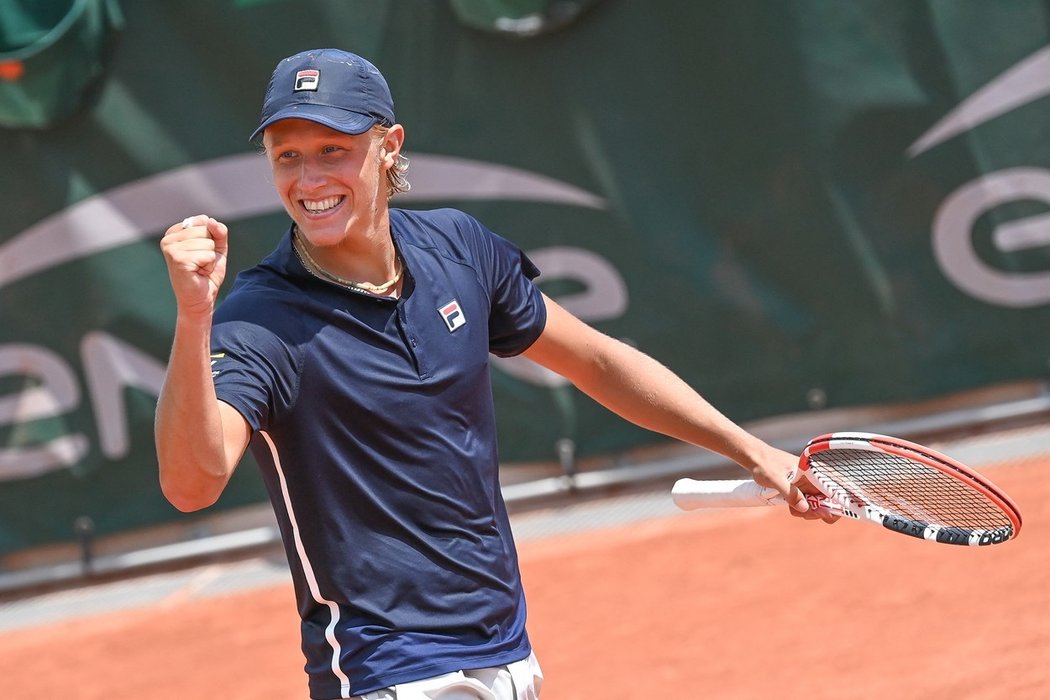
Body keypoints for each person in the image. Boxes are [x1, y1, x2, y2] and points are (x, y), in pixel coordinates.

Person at [156, 48, 832, 700]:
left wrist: (751, 450)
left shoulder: (458, 249)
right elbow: (192, 483)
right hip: (389, 667)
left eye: (333, 150)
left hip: (505, 650)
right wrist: (193, 319)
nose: (308, 181)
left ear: (389, 144)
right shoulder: (257, 321)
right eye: (288, 157)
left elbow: (597, 360)